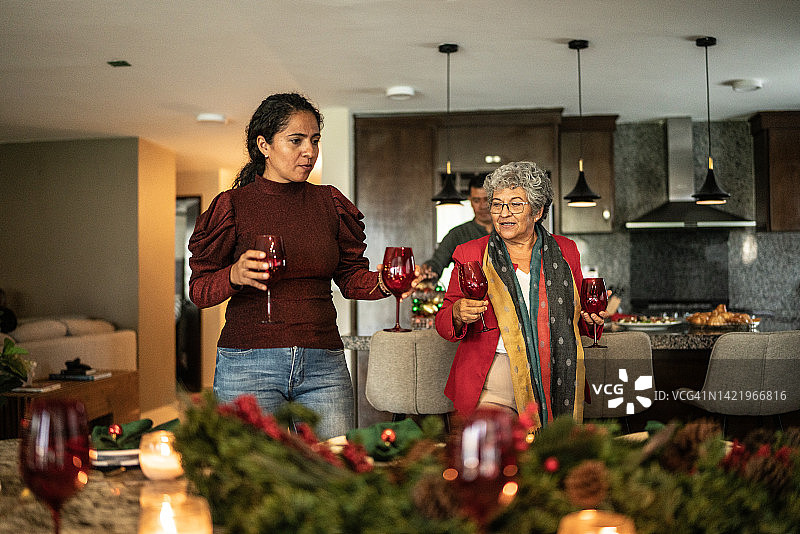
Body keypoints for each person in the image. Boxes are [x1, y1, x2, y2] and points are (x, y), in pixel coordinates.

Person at [188, 93, 398, 440]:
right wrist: (233, 275)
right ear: (264, 145)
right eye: (296, 140)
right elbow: (199, 291)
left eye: (314, 140)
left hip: (323, 363)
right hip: (247, 364)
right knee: (252, 470)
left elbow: (350, 278)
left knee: (333, 464)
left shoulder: (329, 202)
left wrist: (386, 281)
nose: (309, 151)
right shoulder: (232, 205)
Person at [435, 161, 606, 430]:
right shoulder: (470, 252)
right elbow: (444, 321)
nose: (504, 213)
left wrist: (592, 319)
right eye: (497, 204)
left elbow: (578, 316)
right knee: (492, 453)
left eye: (515, 204)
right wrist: (457, 313)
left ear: (537, 211)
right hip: (493, 380)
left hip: (556, 375)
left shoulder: (566, 250)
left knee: (551, 454)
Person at [420, 174, 492, 282]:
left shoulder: (508, 231)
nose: (482, 206)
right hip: (468, 292)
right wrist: (428, 270)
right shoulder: (458, 234)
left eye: (487, 199)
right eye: (477, 200)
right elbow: (437, 262)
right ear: (470, 200)